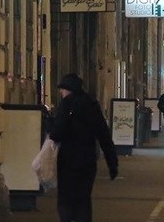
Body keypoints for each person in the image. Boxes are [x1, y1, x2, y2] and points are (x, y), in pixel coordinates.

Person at [49, 73, 117, 222]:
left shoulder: (66, 104)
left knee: (66, 197)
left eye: (63, 89)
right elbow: (103, 134)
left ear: (68, 90)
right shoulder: (92, 104)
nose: (61, 92)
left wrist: (51, 126)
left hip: (68, 161)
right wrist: (112, 164)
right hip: (87, 160)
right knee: (83, 198)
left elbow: (56, 133)